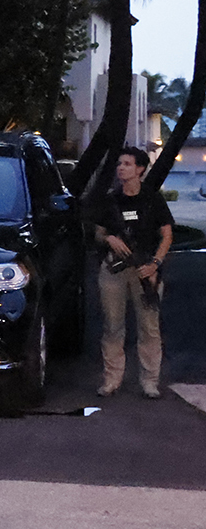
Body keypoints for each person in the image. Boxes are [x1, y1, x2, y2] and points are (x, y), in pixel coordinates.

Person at [93, 146, 173, 399]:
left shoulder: (152, 198)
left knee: (149, 328)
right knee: (112, 326)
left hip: (144, 269)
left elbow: (167, 234)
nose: (121, 168)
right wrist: (110, 240)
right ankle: (111, 380)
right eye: (119, 163)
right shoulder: (111, 199)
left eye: (127, 164)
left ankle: (150, 381)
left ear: (140, 169)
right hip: (114, 270)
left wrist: (155, 264)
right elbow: (98, 231)